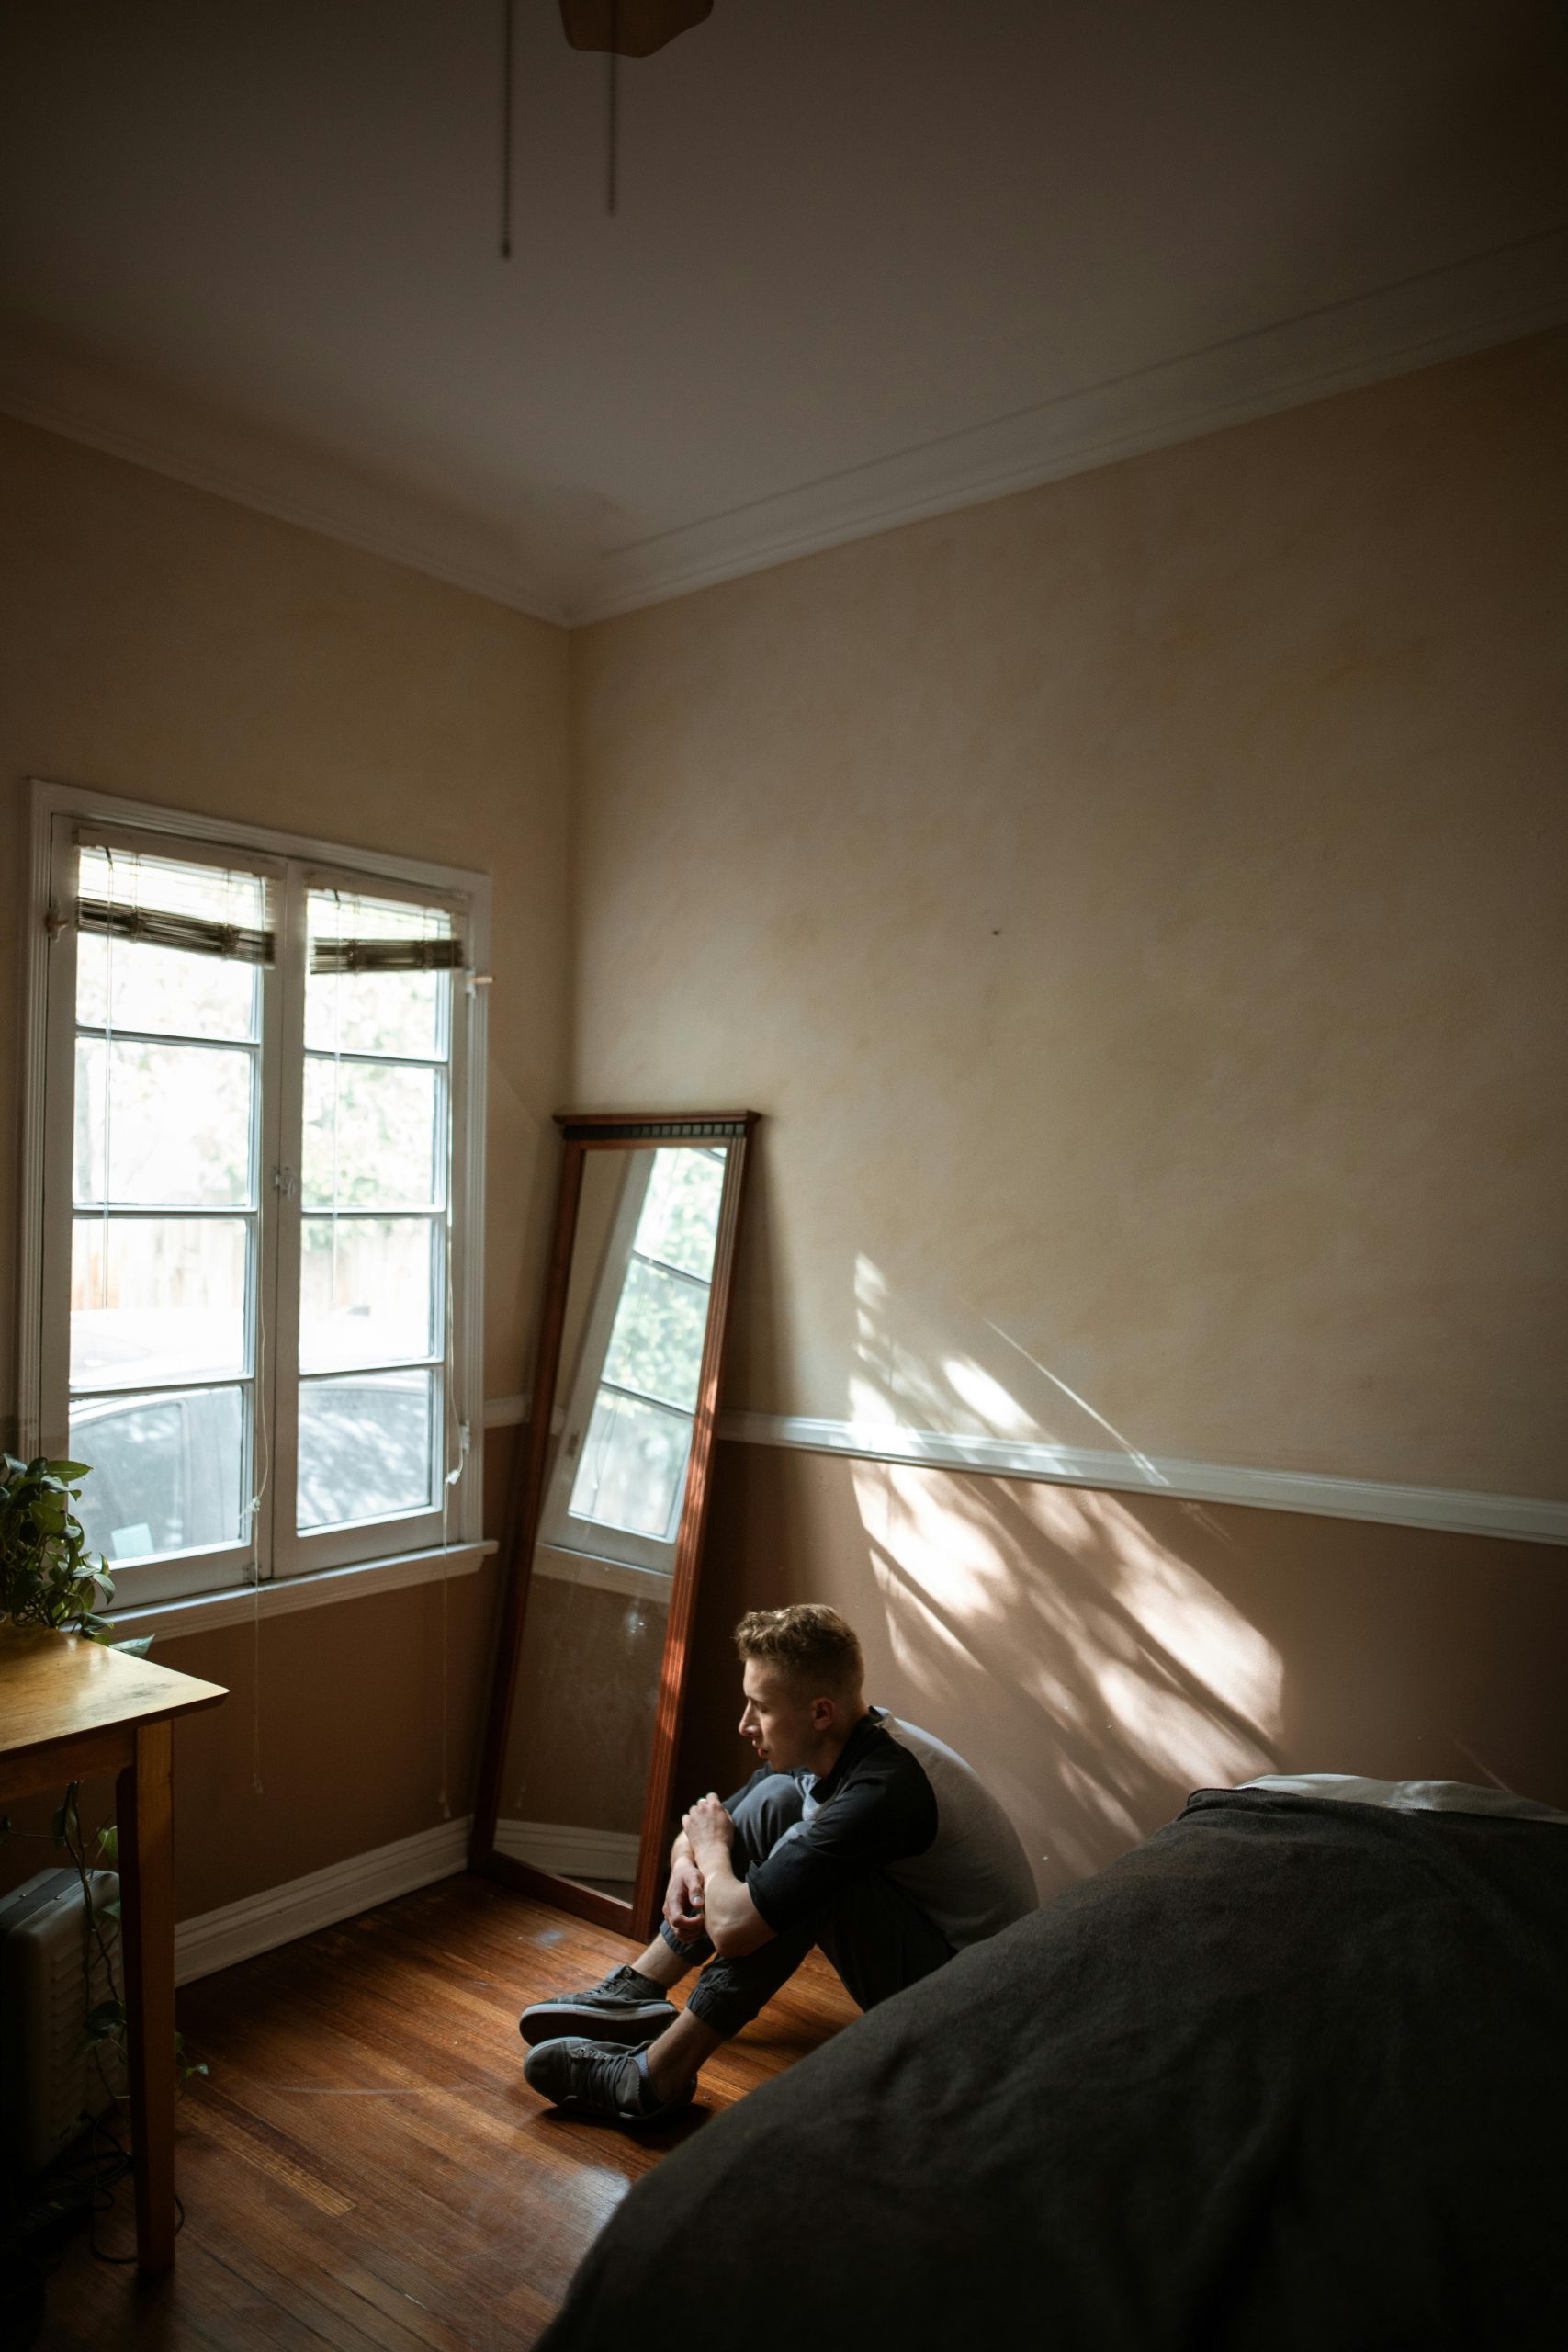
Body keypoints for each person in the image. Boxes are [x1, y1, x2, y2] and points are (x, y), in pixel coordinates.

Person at [519, 1602, 1038, 2124]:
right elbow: (704, 1823)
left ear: (819, 1712)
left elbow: (732, 1927)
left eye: (759, 1708)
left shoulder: (882, 1793)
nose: (744, 1724)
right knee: (774, 1805)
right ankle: (640, 1989)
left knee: (816, 1887)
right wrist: (685, 1863)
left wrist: (711, 1852)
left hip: (973, 2010)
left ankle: (651, 2079)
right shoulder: (831, 1748)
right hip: (931, 1957)